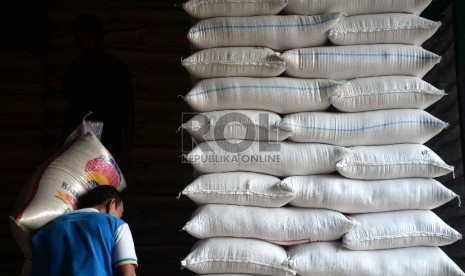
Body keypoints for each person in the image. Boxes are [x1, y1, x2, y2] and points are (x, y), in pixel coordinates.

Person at [60, 13, 134, 169]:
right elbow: (66, 109)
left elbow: (128, 112)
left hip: (108, 142)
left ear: (100, 38)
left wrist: (127, 151)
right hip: (78, 143)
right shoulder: (75, 69)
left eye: (88, 39)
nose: (84, 45)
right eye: (79, 41)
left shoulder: (116, 70)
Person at [30, 185, 138, 276]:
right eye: (120, 214)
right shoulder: (116, 224)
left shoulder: (43, 231)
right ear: (111, 204)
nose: (120, 218)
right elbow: (128, 274)